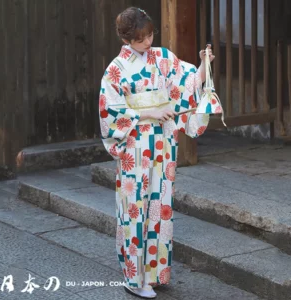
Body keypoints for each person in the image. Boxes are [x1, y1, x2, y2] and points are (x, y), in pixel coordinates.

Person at [98, 6, 214, 299]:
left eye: (150, 35)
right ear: (126, 38)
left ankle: (156, 271)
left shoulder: (162, 58)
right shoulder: (115, 70)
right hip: (134, 146)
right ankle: (134, 278)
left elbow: (184, 84)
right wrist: (152, 111)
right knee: (135, 207)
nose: (148, 43)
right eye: (141, 39)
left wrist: (203, 66)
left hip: (162, 144)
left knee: (160, 206)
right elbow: (111, 113)